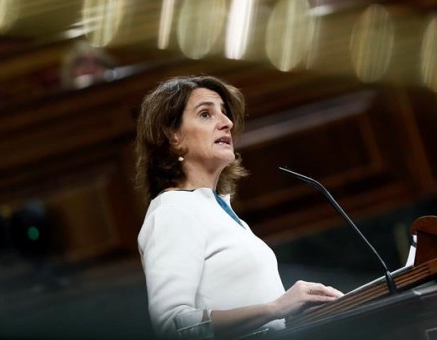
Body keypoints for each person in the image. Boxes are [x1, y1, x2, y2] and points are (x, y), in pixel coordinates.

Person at [134, 75, 343, 339]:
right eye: (206, 114)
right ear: (173, 136)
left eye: (224, 112)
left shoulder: (217, 208)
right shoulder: (172, 212)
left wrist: (293, 310)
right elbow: (173, 326)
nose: (227, 123)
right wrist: (276, 308)